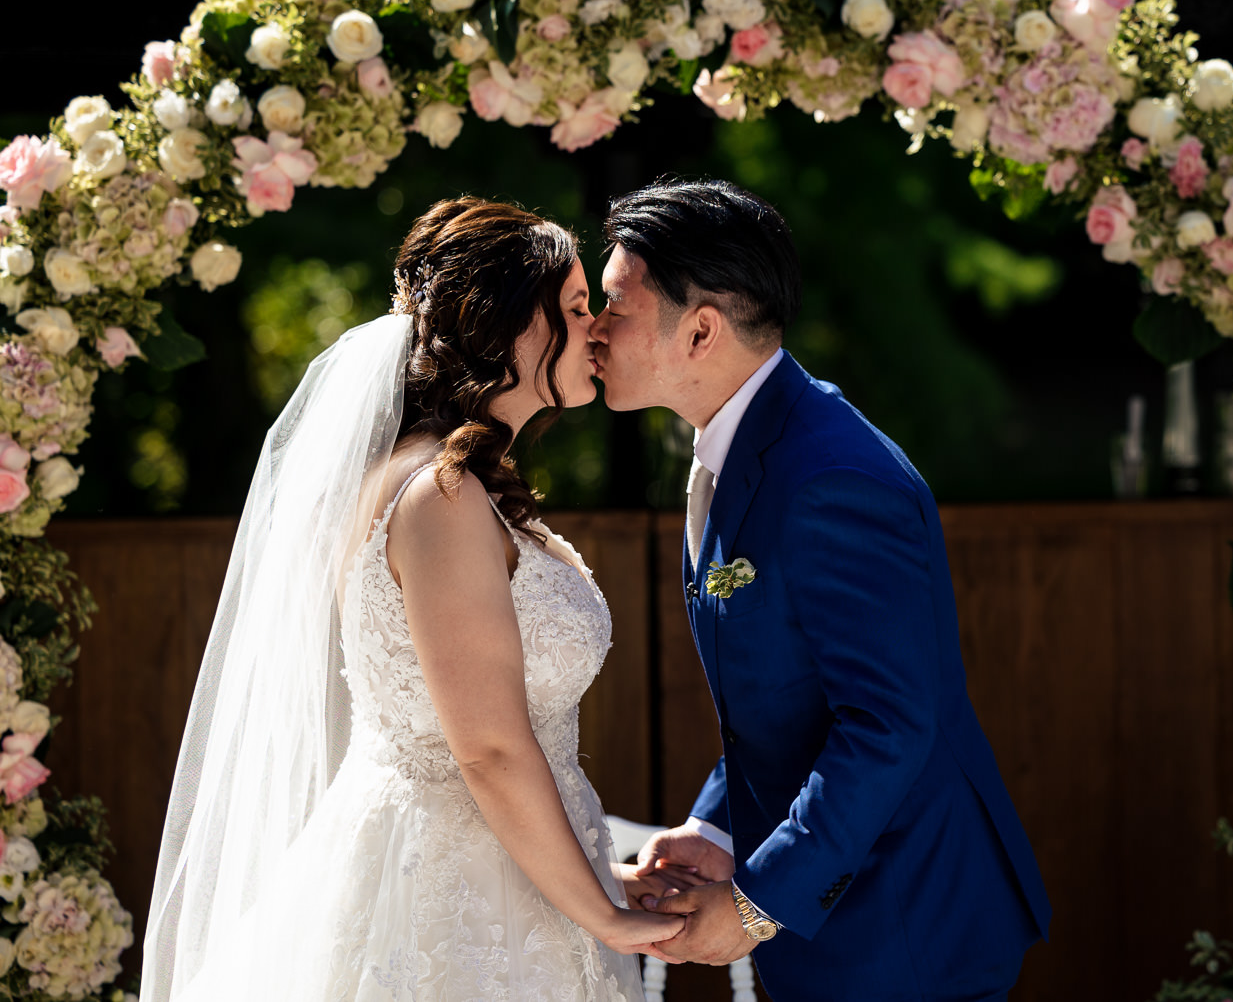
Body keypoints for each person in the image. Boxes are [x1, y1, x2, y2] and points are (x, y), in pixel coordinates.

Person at [142, 198, 683, 1001]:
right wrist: (604, 916)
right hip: (447, 907)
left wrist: (594, 873)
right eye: (574, 308)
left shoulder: (460, 488)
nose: (597, 328)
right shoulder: (441, 496)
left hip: (519, 876)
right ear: (506, 326)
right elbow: (487, 748)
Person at [588, 178, 1052, 1000]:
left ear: (700, 330)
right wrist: (717, 823)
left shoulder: (833, 476)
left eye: (614, 307)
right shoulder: (745, 442)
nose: (593, 328)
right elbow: (788, 697)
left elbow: (887, 723)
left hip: (905, 926)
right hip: (842, 925)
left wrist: (759, 903)